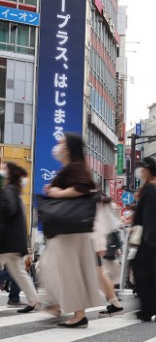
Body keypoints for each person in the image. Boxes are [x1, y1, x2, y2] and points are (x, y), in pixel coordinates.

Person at [41, 133, 101, 328]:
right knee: (62, 269)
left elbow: (84, 187)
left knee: (66, 270)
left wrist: (59, 192)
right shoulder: (72, 167)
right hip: (71, 229)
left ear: (69, 148)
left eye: (61, 144)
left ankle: (77, 314)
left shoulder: (74, 167)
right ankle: (68, 309)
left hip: (71, 230)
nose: (57, 147)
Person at [0, 162, 40, 313]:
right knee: (20, 273)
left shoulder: (8, 190)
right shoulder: (14, 191)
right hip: (13, 241)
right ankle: (34, 301)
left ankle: (32, 300)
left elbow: (8, 209)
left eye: (3, 168)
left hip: (6, 240)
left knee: (19, 272)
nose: (1, 170)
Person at [132, 157, 156, 322]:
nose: (139, 170)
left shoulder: (150, 190)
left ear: (148, 170)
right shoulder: (152, 188)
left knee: (140, 270)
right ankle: (154, 307)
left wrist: (150, 242)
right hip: (150, 238)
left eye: (142, 167)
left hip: (148, 238)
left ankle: (148, 307)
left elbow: (150, 217)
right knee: (150, 272)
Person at [94, 195, 124, 318]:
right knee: (100, 274)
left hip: (94, 243)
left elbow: (102, 227)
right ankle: (115, 303)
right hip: (97, 244)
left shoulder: (101, 208)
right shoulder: (104, 208)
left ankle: (115, 303)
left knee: (100, 274)